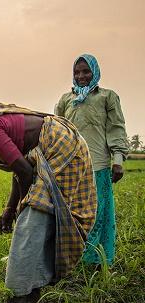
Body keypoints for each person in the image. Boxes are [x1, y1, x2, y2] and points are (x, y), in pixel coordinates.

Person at [0, 84, 97, 303]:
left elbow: (24, 171)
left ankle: (25, 289)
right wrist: (10, 208)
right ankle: (31, 284)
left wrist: (19, 208)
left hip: (60, 146)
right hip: (54, 146)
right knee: (34, 214)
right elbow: (19, 167)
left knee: (34, 215)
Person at [55, 54, 129, 266]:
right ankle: (72, 259)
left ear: (95, 72)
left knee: (98, 213)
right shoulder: (65, 100)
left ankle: (95, 260)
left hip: (98, 165)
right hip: (71, 167)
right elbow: (57, 131)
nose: (81, 76)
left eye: (86, 71)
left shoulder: (107, 97)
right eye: (77, 72)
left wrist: (118, 160)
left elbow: (116, 129)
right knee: (72, 214)